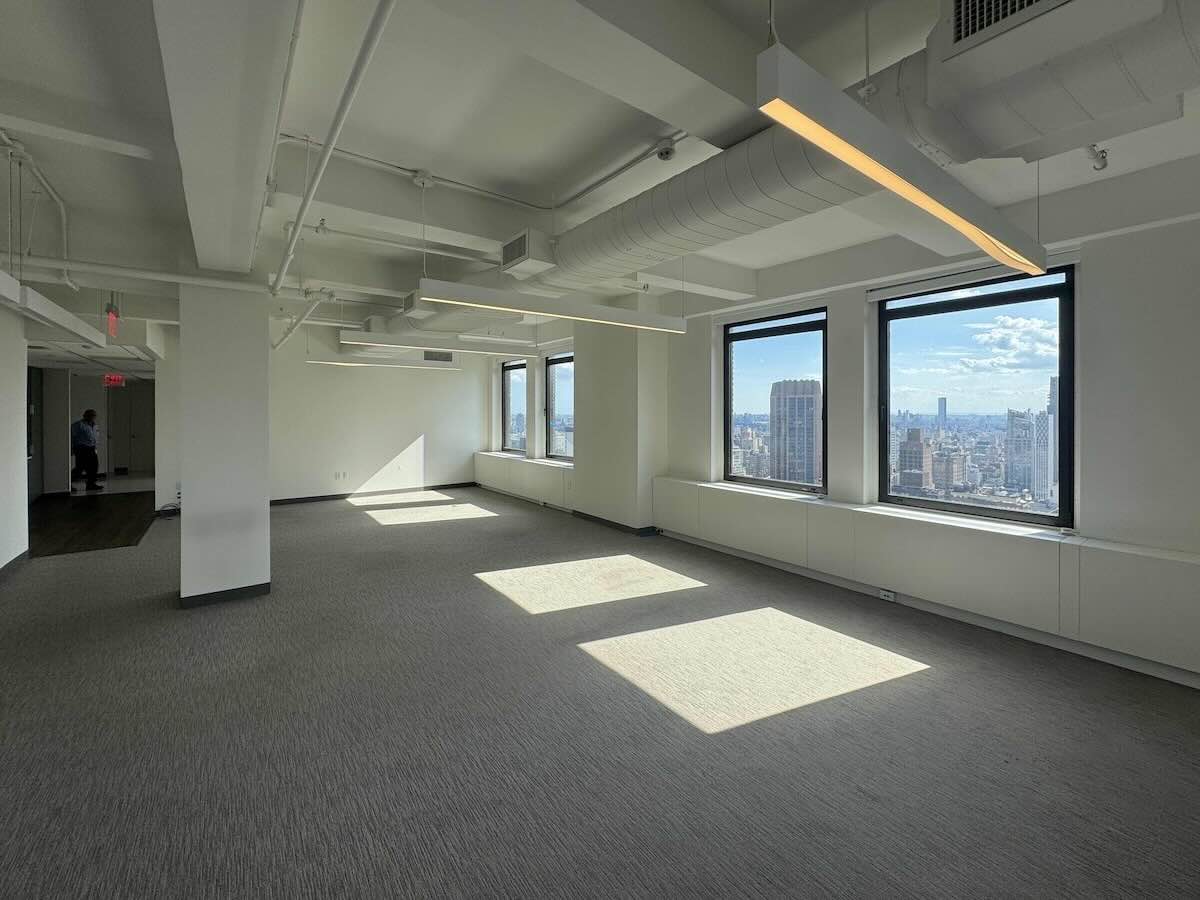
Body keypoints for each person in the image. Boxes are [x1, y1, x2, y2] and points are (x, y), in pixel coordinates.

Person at [71, 409, 103, 492]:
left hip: (91, 449)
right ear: (85, 416)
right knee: (80, 468)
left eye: (94, 416)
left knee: (94, 467)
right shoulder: (78, 425)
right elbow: (72, 436)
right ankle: (67, 484)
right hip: (82, 449)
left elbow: (95, 438)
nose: (92, 417)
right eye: (91, 415)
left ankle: (91, 484)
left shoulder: (94, 426)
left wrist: (95, 448)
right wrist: (72, 448)